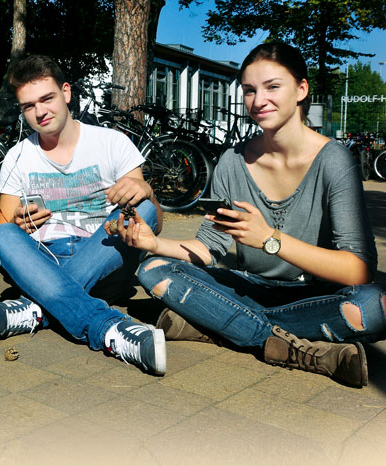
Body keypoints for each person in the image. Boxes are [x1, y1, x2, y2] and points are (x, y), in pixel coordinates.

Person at [117, 42, 386, 387]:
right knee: (153, 269)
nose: (259, 101)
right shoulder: (232, 161)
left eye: (273, 86)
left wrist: (270, 240)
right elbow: (207, 248)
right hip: (249, 288)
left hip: (313, 296)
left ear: (301, 89)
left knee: (375, 304)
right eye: (249, 90)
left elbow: (358, 270)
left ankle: (217, 326)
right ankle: (286, 345)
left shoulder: (334, 161)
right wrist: (154, 242)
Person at [0, 54, 166, 376]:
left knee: (146, 206)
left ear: (66, 92)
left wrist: (145, 191)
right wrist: (18, 223)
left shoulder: (112, 143)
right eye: (28, 106)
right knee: (0, 236)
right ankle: (109, 329)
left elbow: (153, 223)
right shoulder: (18, 156)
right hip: (45, 261)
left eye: (47, 99)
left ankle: (36, 309)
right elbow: (3, 232)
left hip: (105, 258)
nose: (40, 112)